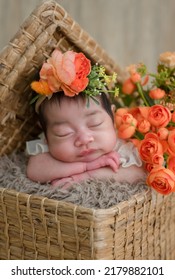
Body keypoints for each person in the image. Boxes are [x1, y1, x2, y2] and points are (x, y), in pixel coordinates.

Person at [26, 49, 146, 187]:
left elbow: (138, 173)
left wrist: (87, 176)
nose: (84, 139)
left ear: (112, 117)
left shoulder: (121, 146)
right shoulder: (49, 149)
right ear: (46, 135)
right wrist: (86, 166)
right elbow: (34, 170)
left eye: (95, 123)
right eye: (63, 132)